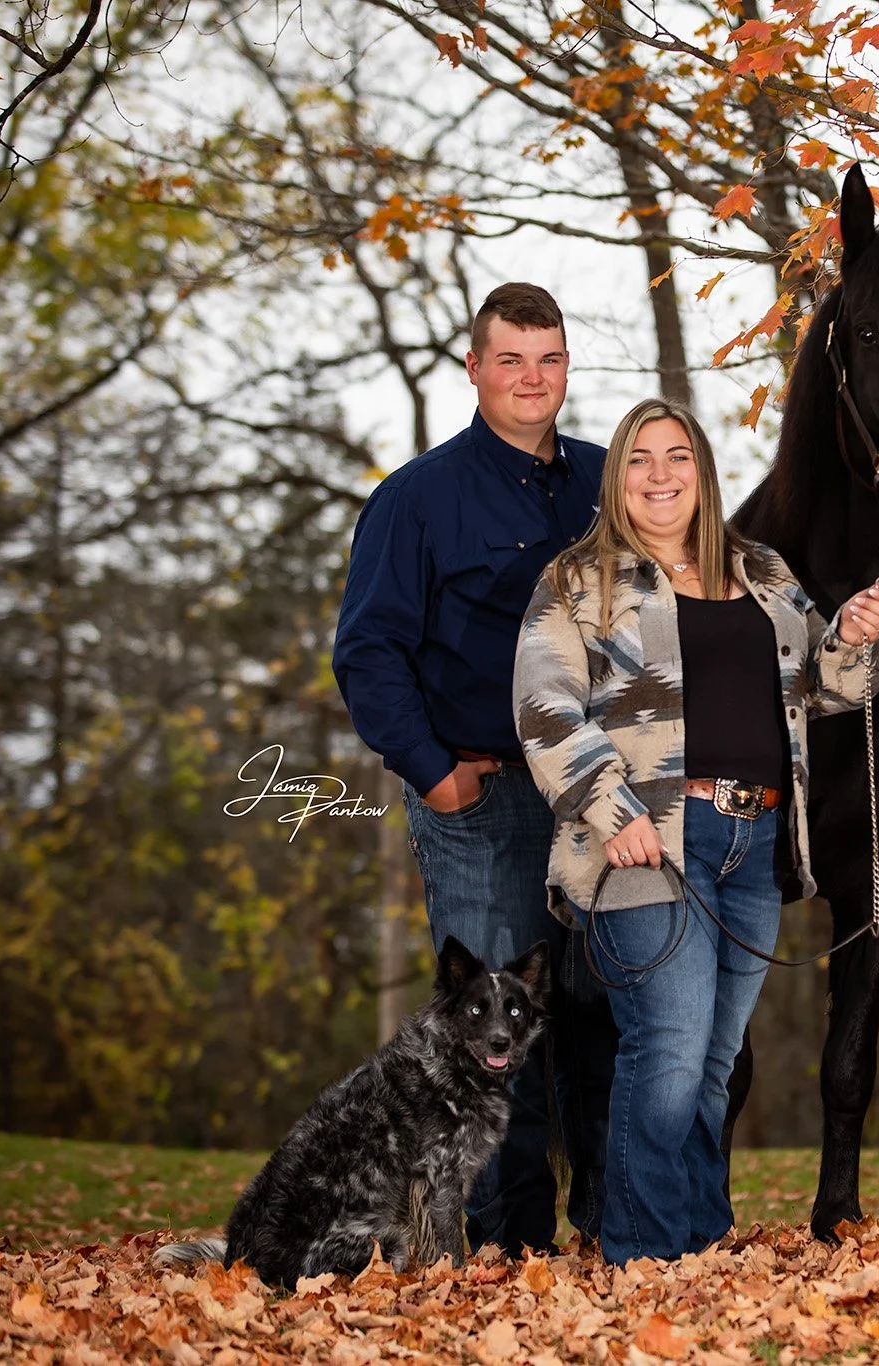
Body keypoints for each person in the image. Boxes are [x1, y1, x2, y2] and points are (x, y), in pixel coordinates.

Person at [513, 398, 879, 1264]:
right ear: (617, 478)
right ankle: (643, 1254)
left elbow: (828, 688)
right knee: (671, 1051)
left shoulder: (760, 570)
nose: (660, 476)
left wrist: (853, 638)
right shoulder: (581, 579)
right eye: (640, 460)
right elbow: (542, 709)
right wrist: (616, 813)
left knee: (716, 1062)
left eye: (676, 457)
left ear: (702, 471)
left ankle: (700, 1240)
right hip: (644, 845)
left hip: (754, 844)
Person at [332, 281, 612, 1256]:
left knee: (599, 1013)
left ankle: (610, 1235)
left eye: (549, 359)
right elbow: (366, 650)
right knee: (495, 1037)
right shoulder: (416, 499)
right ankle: (506, 1246)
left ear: (566, 368)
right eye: (511, 360)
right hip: (480, 798)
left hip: (594, 796)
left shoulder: (608, 484)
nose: (532, 379)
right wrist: (432, 770)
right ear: (475, 369)